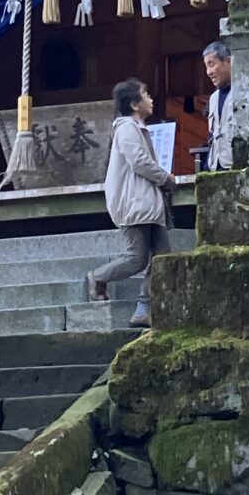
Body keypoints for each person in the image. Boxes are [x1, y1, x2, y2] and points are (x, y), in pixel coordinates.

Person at [84, 77, 170, 326]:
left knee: (162, 257)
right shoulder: (126, 128)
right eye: (146, 94)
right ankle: (97, 276)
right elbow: (139, 162)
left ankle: (144, 307)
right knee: (138, 258)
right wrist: (165, 178)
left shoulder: (134, 128)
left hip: (144, 204)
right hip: (135, 204)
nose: (151, 99)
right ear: (134, 103)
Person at [201, 39, 235, 171]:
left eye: (212, 64)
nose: (209, 72)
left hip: (236, 164)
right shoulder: (213, 98)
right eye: (206, 67)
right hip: (215, 165)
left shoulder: (243, 93)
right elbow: (211, 135)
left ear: (228, 61)